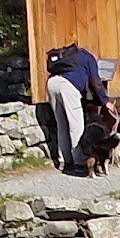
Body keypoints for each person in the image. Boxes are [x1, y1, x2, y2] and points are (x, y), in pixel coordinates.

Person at [45, 44, 108, 175]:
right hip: (68, 86)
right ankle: (80, 163)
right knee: (76, 126)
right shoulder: (89, 58)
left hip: (51, 83)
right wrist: (105, 101)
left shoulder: (69, 57)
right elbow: (96, 82)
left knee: (61, 125)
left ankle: (64, 161)